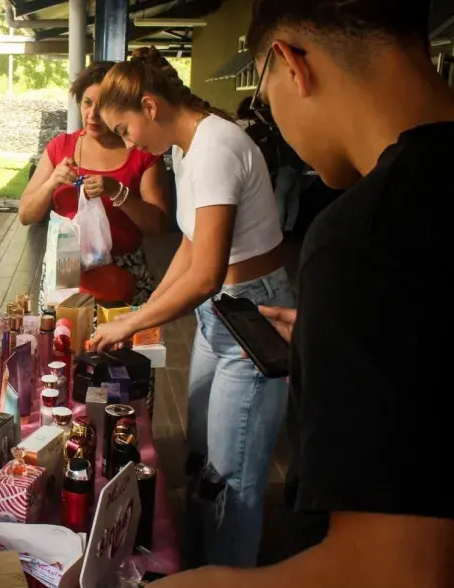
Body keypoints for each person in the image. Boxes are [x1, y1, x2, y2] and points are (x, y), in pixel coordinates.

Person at [147, 1, 454, 586]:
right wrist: (333, 333)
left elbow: (395, 569)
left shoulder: (368, 236)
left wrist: (216, 581)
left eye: (262, 92)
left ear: (292, 63)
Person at [89, 47, 293, 568]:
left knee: (234, 479)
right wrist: (145, 310)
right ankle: (204, 563)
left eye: (125, 129)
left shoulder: (214, 148)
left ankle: (228, 573)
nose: (127, 142)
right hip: (219, 316)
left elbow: (205, 274)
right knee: (202, 457)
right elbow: (189, 243)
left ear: (150, 107)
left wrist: (136, 319)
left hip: (254, 317)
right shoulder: (184, 149)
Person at [18, 60, 169, 307]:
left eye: (103, 105)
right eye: (87, 103)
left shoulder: (142, 153)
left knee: (120, 344)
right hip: (65, 273)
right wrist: (52, 182)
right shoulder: (60, 147)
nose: (93, 115)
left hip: (122, 276)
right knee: (64, 342)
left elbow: (158, 227)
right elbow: (25, 215)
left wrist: (117, 192)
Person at [236, 97, 304, 232]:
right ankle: (289, 226)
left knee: (279, 195)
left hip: (285, 166)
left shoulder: (261, 130)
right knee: (293, 196)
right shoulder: (292, 127)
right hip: (297, 165)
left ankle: (277, 226)